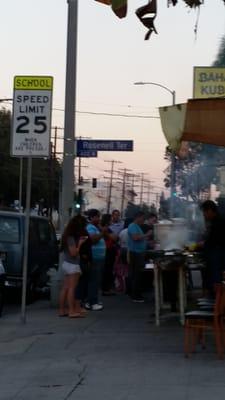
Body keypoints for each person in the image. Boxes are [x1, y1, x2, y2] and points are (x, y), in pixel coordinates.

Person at [58, 216, 88, 318]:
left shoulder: (67, 236)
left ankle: (62, 310)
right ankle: (71, 311)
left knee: (65, 287)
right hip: (72, 264)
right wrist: (80, 244)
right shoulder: (70, 237)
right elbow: (74, 253)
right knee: (72, 288)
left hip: (67, 263)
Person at [200, 200, 225, 296]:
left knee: (216, 278)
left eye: (204, 212)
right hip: (216, 253)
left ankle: (217, 301)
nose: (204, 215)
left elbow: (214, 240)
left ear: (210, 210)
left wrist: (202, 244)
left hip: (219, 254)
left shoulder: (219, 221)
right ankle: (215, 297)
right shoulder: (215, 220)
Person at [86, 209, 107, 311]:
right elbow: (93, 240)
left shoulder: (96, 227)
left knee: (96, 280)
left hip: (99, 258)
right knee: (94, 280)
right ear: (92, 217)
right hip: (94, 258)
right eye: (97, 217)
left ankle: (93, 300)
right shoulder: (90, 227)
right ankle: (92, 302)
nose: (99, 219)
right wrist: (102, 232)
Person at [127, 211, 151, 302]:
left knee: (138, 274)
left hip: (139, 252)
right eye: (143, 218)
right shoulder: (132, 226)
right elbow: (135, 238)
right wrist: (147, 234)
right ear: (138, 217)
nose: (143, 220)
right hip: (135, 253)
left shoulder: (137, 226)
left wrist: (148, 242)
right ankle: (135, 296)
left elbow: (140, 238)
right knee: (136, 275)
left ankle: (136, 294)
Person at [101, 214, 118, 296]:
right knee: (107, 270)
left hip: (109, 250)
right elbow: (114, 238)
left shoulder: (107, 229)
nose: (112, 221)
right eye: (110, 219)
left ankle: (106, 288)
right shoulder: (105, 229)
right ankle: (105, 289)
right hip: (107, 250)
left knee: (108, 270)